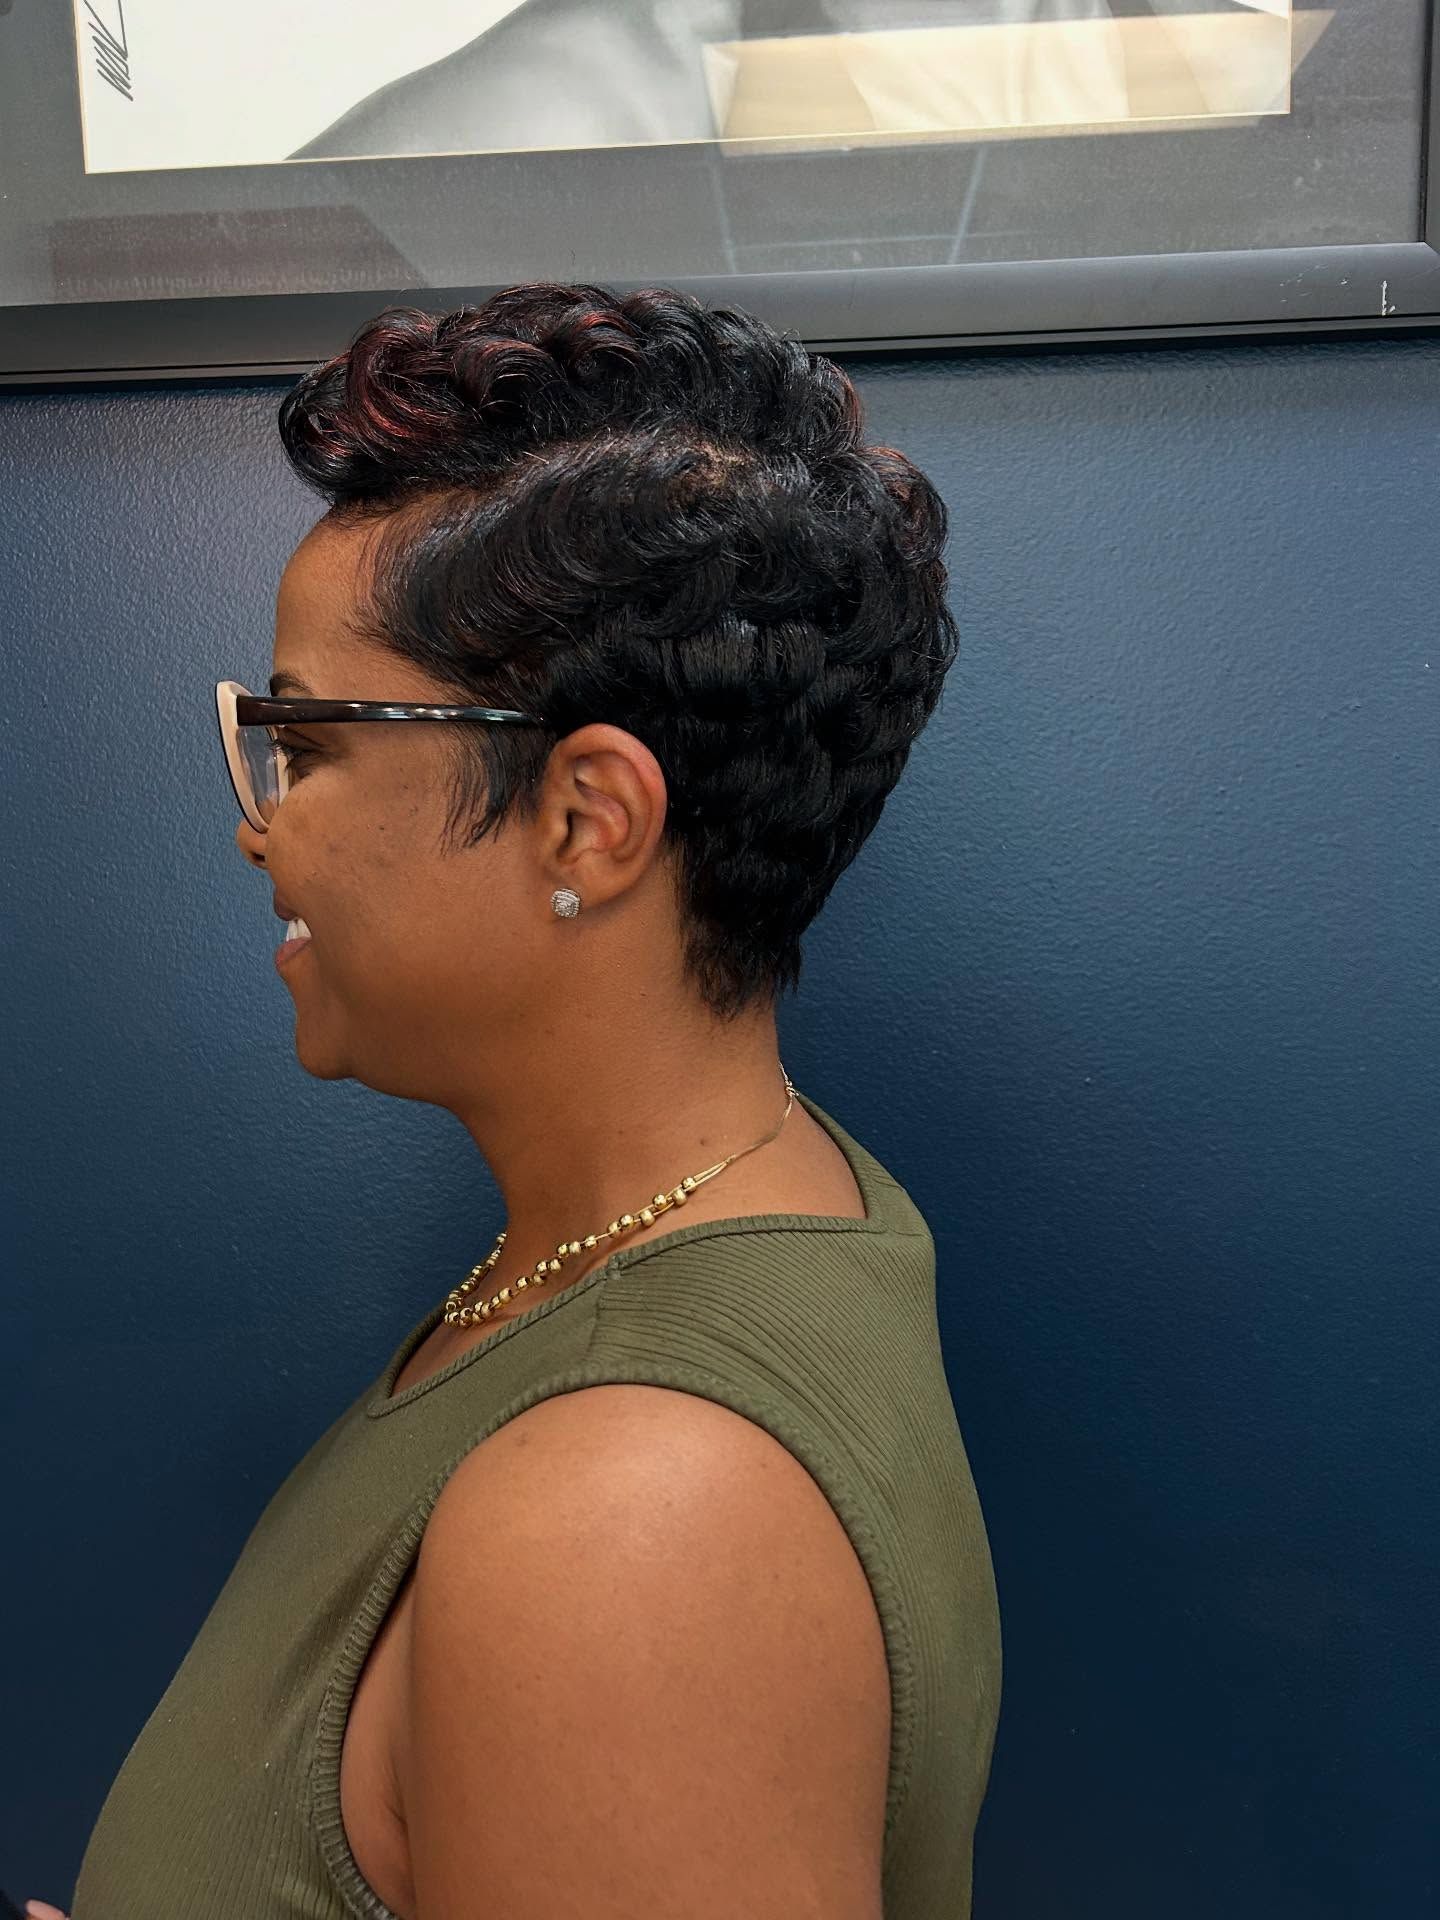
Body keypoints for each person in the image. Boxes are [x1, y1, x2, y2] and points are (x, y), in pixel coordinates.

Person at [34, 282, 1001, 1920]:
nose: (263, 829)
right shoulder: (743, 1212)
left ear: (587, 821)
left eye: (308, 743)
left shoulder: (639, 1520)